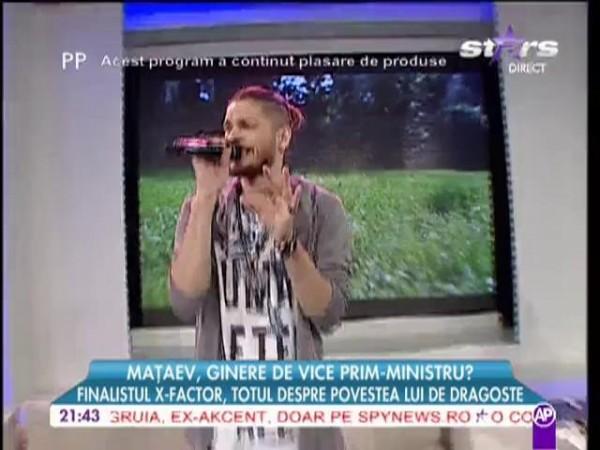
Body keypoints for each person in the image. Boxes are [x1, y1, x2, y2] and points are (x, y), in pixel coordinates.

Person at [169, 85, 352, 450]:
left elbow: (328, 314)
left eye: (246, 125)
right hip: (223, 436)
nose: (232, 136)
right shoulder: (200, 209)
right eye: (228, 126)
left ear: (282, 137)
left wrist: (288, 244)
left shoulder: (323, 209)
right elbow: (185, 303)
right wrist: (206, 197)